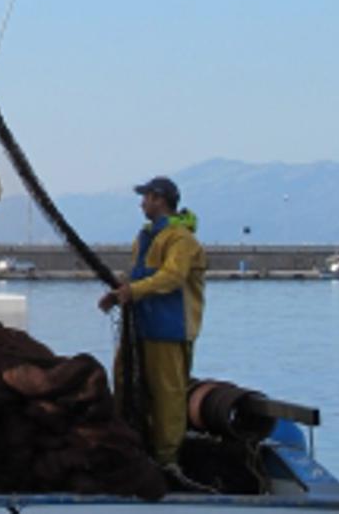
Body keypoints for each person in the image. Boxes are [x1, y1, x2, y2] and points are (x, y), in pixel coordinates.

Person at [98, 175, 206, 471]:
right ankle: (131, 446)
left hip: (169, 328)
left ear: (160, 199)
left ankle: (167, 460)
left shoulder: (181, 239)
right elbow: (139, 276)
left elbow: (172, 277)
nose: (142, 203)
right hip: (139, 329)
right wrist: (118, 293)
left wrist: (131, 292)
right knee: (126, 382)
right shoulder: (146, 237)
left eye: (146, 197)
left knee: (167, 395)